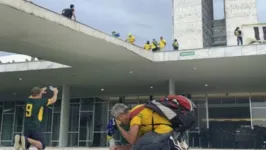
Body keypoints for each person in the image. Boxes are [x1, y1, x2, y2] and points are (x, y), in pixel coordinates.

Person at [111, 104, 180, 150]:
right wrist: (119, 148)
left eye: (118, 119)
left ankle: (171, 145)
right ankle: (169, 146)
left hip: (164, 131)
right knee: (141, 145)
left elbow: (132, 140)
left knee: (140, 146)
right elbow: (135, 142)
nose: (121, 122)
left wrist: (119, 127)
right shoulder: (137, 116)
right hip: (166, 132)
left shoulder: (134, 116)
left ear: (121, 115)